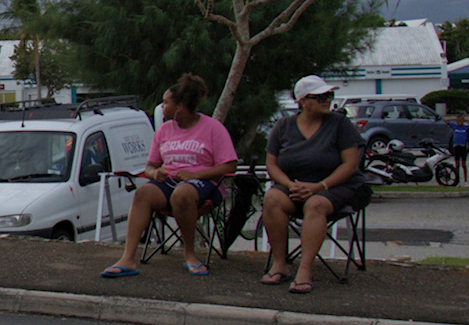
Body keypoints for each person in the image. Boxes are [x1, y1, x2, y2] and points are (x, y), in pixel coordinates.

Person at [102, 73, 237, 279]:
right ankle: (128, 258)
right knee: (143, 193)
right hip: (169, 181)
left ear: (180, 106)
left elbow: (229, 164)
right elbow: (149, 166)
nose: (162, 107)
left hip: (204, 183)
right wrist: (156, 173)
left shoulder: (213, 128)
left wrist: (196, 174)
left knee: (182, 194)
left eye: (166, 103)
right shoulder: (164, 130)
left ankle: (190, 254)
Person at [260, 75, 365, 294]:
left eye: (329, 95)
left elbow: (350, 164)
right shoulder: (283, 126)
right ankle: (280, 264)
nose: (328, 99)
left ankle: (305, 270)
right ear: (303, 101)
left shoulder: (340, 124)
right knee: (272, 198)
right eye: (320, 96)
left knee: (315, 204)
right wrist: (289, 185)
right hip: (295, 187)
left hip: (334, 187)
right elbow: (272, 164)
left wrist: (319, 186)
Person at [447, 112, 469, 183]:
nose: (459, 122)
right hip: (456, 146)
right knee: (457, 164)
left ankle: (465, 180)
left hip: (463, 147)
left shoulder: (465, 127)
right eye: (458, 121)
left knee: (463, 164)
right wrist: (454, 118)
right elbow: (445, 120)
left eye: (461, 121)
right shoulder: (455, 126)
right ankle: (457, 179)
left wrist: (465, 120)